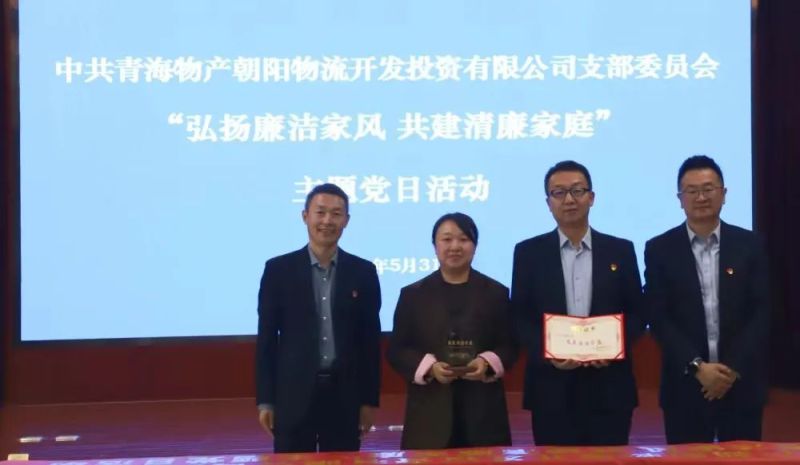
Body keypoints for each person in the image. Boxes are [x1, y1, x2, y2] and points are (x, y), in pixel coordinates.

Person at [511, 160, 644, 446]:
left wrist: (615, 347)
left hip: (610, 387)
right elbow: (520, 317)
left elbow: (637, 312)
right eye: (559, 193)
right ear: (548, 203)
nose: (569, 200)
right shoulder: (528, 253)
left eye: (577, 191)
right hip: (551, 389)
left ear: (591, 197)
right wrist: (548, 353)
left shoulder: (620, 250)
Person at [644, 155, 770, 444]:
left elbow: (762, 311)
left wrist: (730, 370)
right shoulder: (660, 249)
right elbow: (658, 316)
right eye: (692, 190)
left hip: (740, 382)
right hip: (685, 384)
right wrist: (697, 367)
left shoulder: (751, 245)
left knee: (742, 460)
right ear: (680, 198)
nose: (701, 197)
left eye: (708, 189)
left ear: (723, 194)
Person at [255, 183, 382, 453]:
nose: (327, 221)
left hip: (345, 396)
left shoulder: (363, 272)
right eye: (320, 212)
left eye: (336, 214)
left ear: (346, 220)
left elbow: (370, 342)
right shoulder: (278, 270)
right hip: (292, 395)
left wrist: (369, 401)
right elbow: (266, 340)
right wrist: (266, 400)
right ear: (305, 216)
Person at [387, 213, 517, 449]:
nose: (455, 246)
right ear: (435, 245)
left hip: (484, 414)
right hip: (429, 416)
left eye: (464, 239)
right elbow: (397, 350)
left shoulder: (496, 293)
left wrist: (487, 363)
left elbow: (510, 345)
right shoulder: (413, 295)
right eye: (447, 239)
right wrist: (429, 368)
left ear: (475, 246)